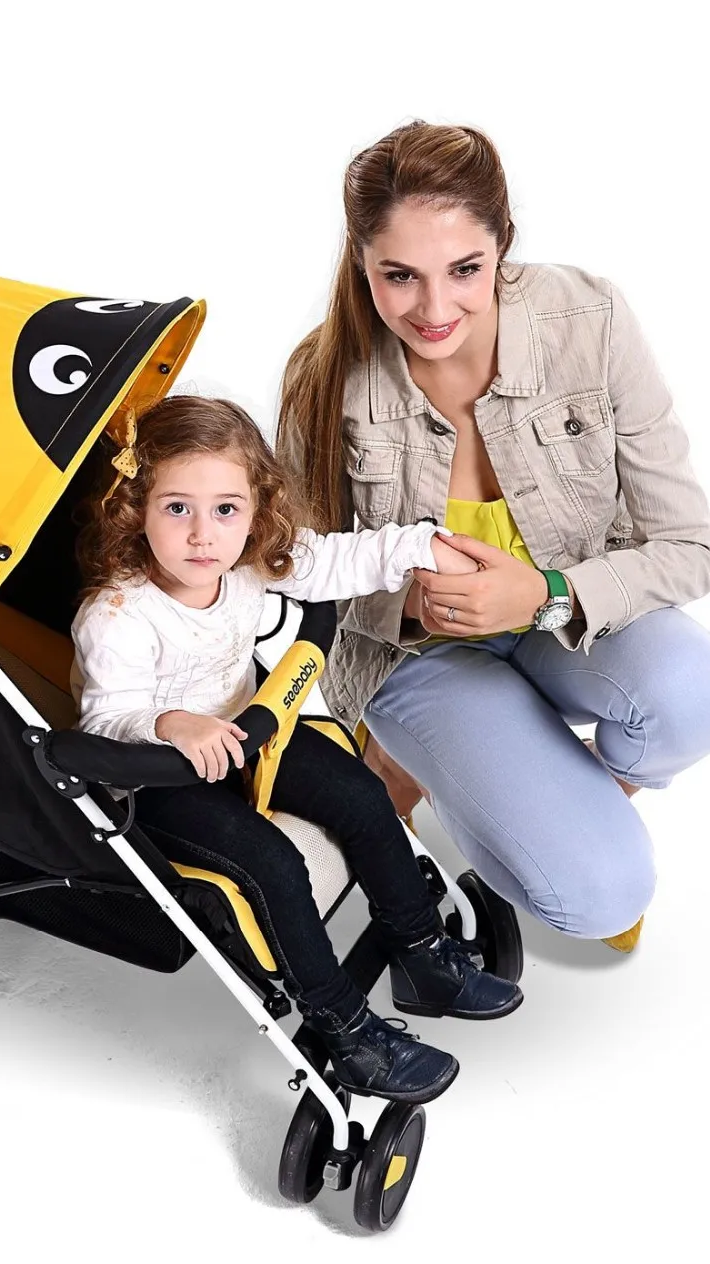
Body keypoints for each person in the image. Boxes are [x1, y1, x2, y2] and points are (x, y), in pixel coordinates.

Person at [277, 119, 710, 948]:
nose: (435, 309)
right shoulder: (325, 377)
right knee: (602, 899)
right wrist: (413, 608)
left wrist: (548, 594)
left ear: (502, 243)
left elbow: (691, 545)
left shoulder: (592, 320)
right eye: (399, 276)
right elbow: (296, 579)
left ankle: (560, 806)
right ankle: (423, 761)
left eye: (465, 270)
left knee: (692, 690)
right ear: (361, 260)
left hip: (569, 623)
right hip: (418, 656)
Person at [70, 394, 523, 1106]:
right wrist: (171, 724)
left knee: (363, 794)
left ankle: (422, 953)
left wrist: (420, 548)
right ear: (136, 511)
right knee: (275, 864)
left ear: (256, 512)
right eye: (177, 508)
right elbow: (105, 720)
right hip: (159, 781)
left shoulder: (250, 562)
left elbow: (341, 559)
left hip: (248, 737)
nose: (203, 535)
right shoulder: (118, 614)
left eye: (226, 509)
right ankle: (345, 1029)